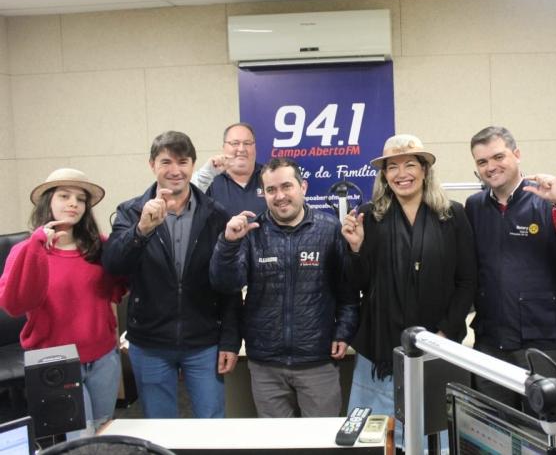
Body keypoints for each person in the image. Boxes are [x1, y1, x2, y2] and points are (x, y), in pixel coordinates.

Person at [341, 134, 477, 438]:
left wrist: (444, 333)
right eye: (392, 167)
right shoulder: (369, 215)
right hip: (381, 346)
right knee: (382, 436)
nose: (402, 174)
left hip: (438, 342)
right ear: (384, 175)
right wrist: (355, 249)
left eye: (410, 164)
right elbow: (357, 283)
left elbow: (467, 281)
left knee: (435, 431)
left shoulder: (452, 214)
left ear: (425, 169)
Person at [465, 126, 556, 412]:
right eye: (482, 162)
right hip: (491, 339)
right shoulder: (475, 206)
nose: (491, 167)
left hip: (542, 338)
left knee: (544, 424)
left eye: (498, 157)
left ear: (517, 154)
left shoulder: (547, 199)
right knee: (494, 424)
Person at [102, 131, 241, 419]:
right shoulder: (131, 212)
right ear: (152, 164)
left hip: (204, 343)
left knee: (212, 426)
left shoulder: (216, 214)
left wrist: (229, 341)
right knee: (159, 429)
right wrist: (140, 231)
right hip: (150, 344)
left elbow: (228, 285)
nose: (175, 171)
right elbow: (113, 265)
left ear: (193, 165)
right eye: (166, 162)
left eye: (183, 161)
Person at [210, 158, 358, 418]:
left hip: (318, 361)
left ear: (303, 187)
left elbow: (348, 291)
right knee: (277, 444)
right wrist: (228, 243)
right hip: (265, 364)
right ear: (263, 193)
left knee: (322, 443)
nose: (279, 196)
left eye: (286, 186)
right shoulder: (252, 232)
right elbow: (226, 284)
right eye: (271, 190)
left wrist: (343, 332)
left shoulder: (330, 229)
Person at [0, 168, 127, 436]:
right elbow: (13, 304)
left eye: (80, 199)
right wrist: (37, 246)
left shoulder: (98, 246)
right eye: (64, 196)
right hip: (55, 361)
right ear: (48, 201)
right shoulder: (26, 249)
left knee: (105, 428)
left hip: (103, 357)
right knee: (80, 437)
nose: (73, 203)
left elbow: (117, 290)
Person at [192, 122, 265, 216]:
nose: (241, 149)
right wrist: (206, 174)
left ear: (254, 147)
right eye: (235, 143)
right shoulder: (210, 179)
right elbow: (184, 201)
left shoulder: (268, 176)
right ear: (224, 147)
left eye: (247, 143)